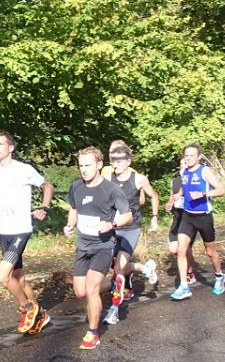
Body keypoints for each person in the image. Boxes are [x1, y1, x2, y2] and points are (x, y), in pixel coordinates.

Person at [0, 131, 54, 334]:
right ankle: (40, 315)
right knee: (18, 278)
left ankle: (27, 308)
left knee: (3, 276)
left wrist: (44, 207)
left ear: (11, 147)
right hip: (4, 231)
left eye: (0, 144)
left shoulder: (23, 169)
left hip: (20, 230)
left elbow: (47, 186)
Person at [64, 146, 132, 350]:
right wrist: (70, 225)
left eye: (88, 165)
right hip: (82, 246)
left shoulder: (111, 189)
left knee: (92, 288)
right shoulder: (76, 186)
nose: (84, 169)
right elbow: (73, 209)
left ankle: (92, 333)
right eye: (81, 166)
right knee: (80, 291)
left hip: (103, 246)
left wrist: (112, 224)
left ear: (99, 165)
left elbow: (128, 216)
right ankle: (113, 285)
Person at [102, 144, 159, 325]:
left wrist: (155, 218)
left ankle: (113, 310)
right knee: (113, 265)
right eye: (113, 160)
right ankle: (144, 269)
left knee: (119, 269)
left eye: (119, 161)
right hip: (112, 228)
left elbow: (154, 196)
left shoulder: (139, 179)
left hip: (130, 229)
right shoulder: (107, 178)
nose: (115, 164)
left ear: (128, 161)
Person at [168, 143, 225, 300]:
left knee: (210, 252)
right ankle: (184, 286)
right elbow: (184, 187)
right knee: (181, 250)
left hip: (203, 216)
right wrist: (178, 195)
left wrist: (203, 194)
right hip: (187, 216)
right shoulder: (184, 171)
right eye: (186, 155)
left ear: (199, 157)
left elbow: (221, 190)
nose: (188, 158)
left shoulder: (204, 171)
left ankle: (219, 276)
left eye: (191, 155)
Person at [101, 140, 151, 228]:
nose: (112, 155)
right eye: (111, 152)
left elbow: (141, 200)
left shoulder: (133, 174)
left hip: (130, 223)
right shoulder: (105, 170)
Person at [166, 157, 197, 285]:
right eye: (181, 164)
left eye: (185, 164)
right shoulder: (175, 181)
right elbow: (172, 197)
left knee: (185, 249)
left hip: (190, 219)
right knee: (174, 249)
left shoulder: (194, 180)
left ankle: (189, 272)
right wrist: (169, 204)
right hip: (177, 218)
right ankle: (186, 265)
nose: (183, 166)